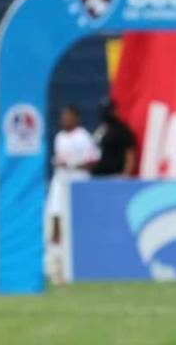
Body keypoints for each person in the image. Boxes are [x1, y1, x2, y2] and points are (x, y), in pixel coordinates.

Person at [46, 105, 99, 281]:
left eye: (68, 115)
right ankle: (55, 264)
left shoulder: (83, 137)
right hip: (59, 182)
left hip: (77, 183)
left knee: (77, 223)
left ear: (76, 117)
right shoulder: (59, 137)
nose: (64, 119)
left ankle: (81, 263)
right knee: (56, 219)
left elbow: (93, 161)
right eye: (63, 115)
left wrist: (71, 165)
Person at [90, 98, 136, 177]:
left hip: (115, 176)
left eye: (108, 110)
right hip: (98, 176)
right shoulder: (101, 129)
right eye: (104, 111)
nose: (106, 113)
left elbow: (130, 154)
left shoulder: (122, 130)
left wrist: (125, 176)